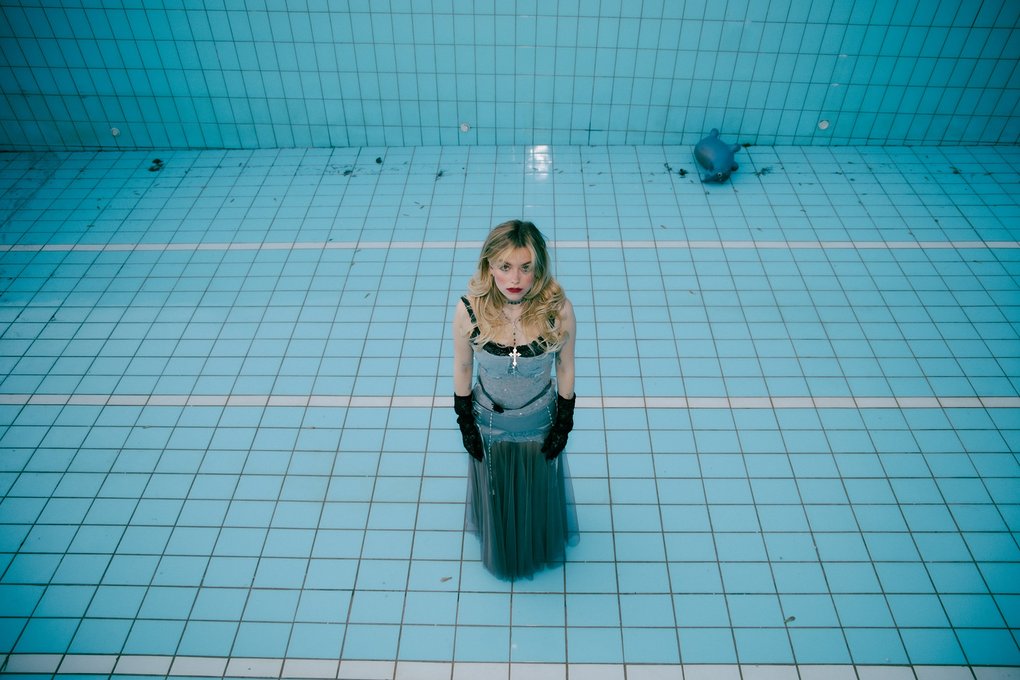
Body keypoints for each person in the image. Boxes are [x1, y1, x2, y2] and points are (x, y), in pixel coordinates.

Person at [451, 220, 578, 579]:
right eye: (505, 267)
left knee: (535, 490)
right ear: (489, 266)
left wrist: (564, 422)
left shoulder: (558, 310)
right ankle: (505, 548)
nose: (515, 279)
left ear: (538, 267)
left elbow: (565, 367)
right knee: (497, 490)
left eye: (525, 267)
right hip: (488, 422)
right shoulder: (469, 310)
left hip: (540, 422)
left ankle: (533, 544)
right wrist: (464, 422)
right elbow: (463, 366)